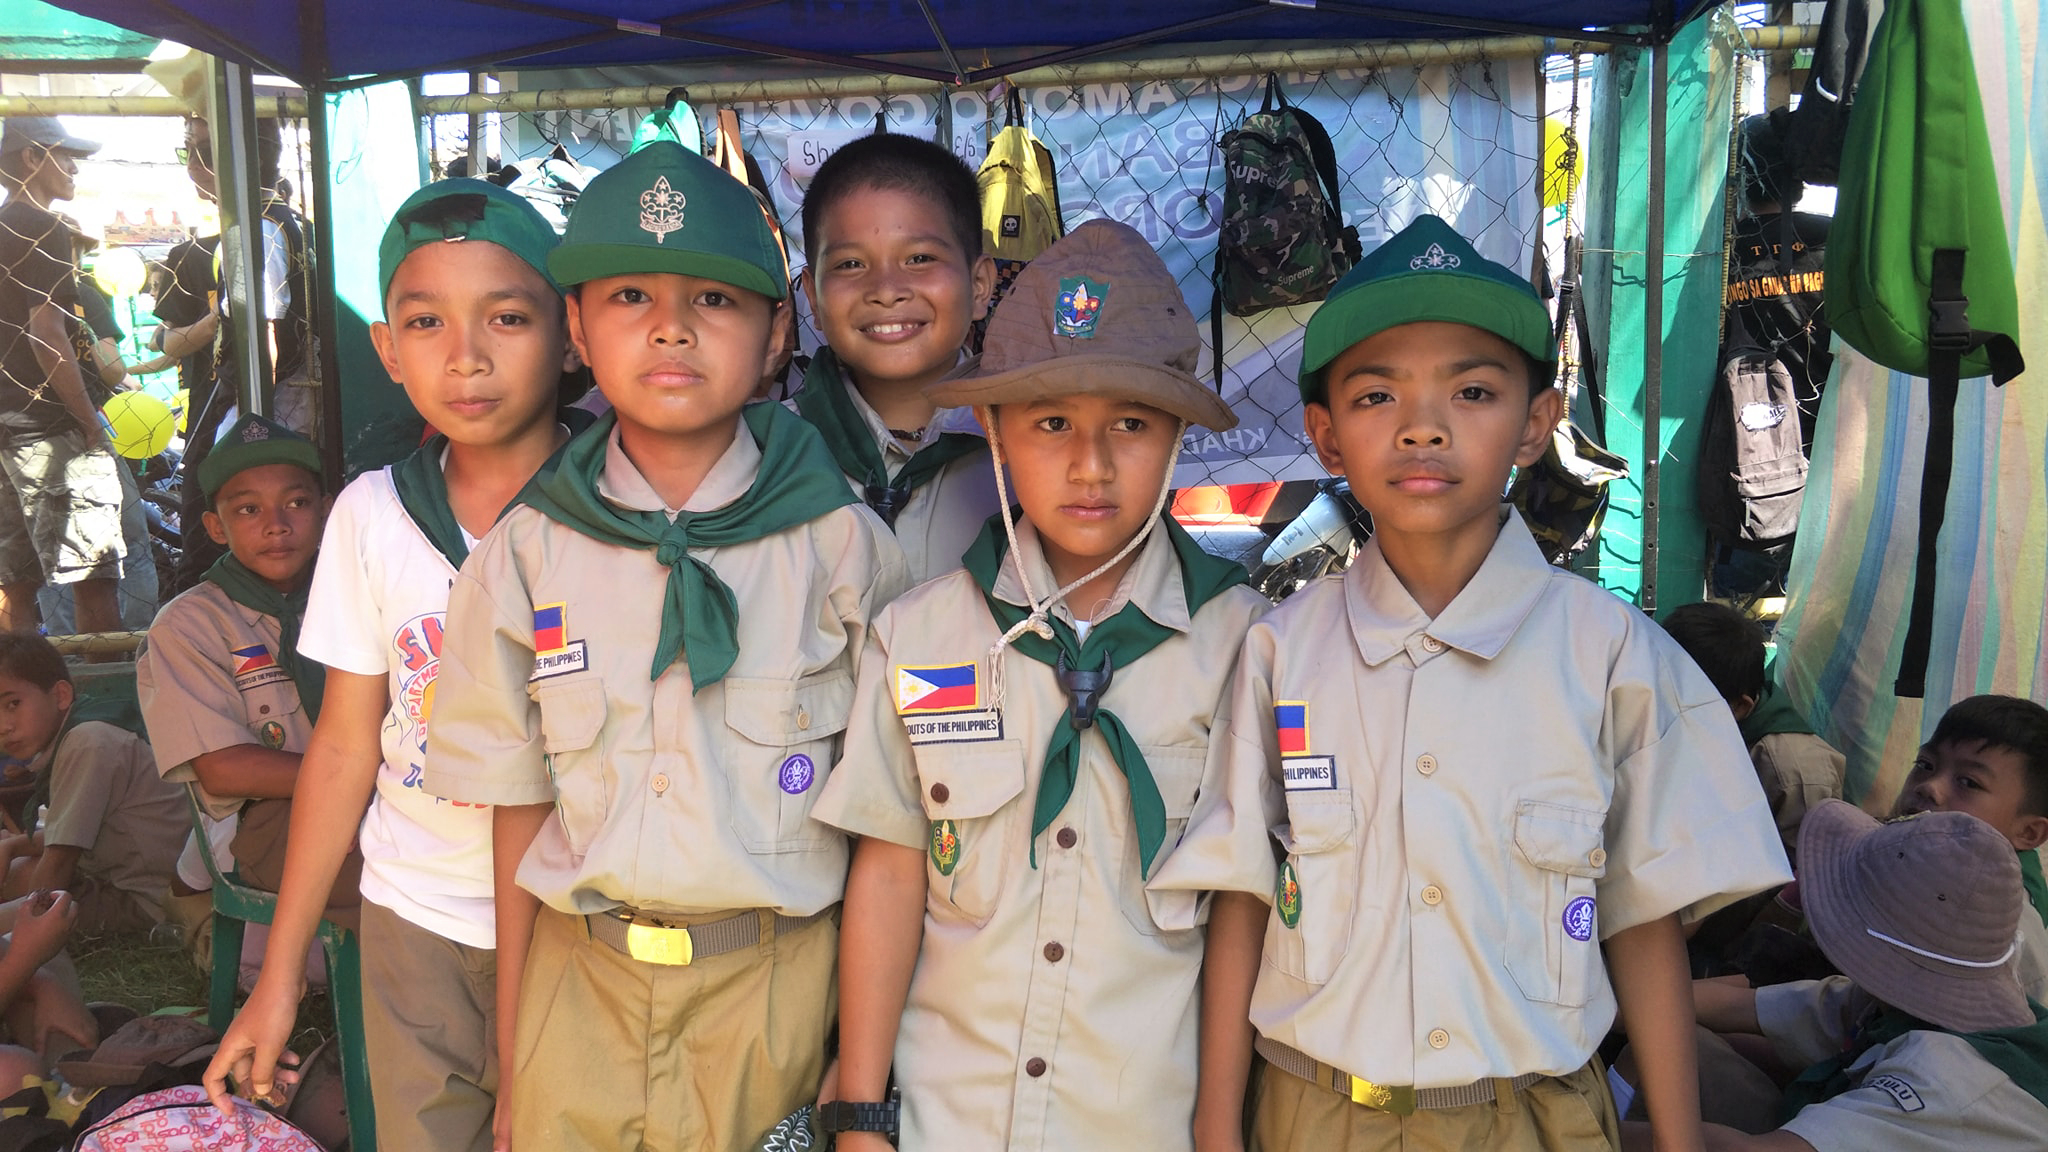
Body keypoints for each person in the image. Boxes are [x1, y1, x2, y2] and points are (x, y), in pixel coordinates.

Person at [1163, 214, 1792, 1152]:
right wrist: (1219, 1128)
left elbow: (1643, 915)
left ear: (1537, 422)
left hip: (1535, 1116)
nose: (1423, 425)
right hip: (1313, 1113)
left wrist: (1676, 1132)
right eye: (1377, 397)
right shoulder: (1278, 656)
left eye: (1472, 390)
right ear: (1326, 438)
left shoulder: (1614, 659)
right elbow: (1242, 899)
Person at [423, 140, 907, 1150]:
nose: (673, 328)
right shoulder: (524, 554)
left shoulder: (841, 548)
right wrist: (519, 1065)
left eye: (717, 301)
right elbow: (516, 816)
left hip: (774, 993)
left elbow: (885, 837)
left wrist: (857, 1090)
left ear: (777, 336)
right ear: (577, 335)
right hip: (578, 987)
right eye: (630, 296)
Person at [812, 219, 1266, 1150]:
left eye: (1131, 426)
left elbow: (1237, 914)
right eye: (1052, 422)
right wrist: (859, 1111)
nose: (1090, 464)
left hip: (1135, 1123)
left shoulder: (1241, 644)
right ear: (995, 433)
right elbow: (893, 870)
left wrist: (1218, 1132)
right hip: (949, 1120)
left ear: (1178, 435)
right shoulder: (925, 634)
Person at [201, 179, 578, 1152]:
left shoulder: (617, 510)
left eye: (506, 316)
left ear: (568, 330)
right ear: (385, 351)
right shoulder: (370, 513)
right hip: (410, 913)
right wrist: (279, 974)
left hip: (585, 919)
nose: (466, 356)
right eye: (425, 321)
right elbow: (341, 747)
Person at [1665, 802, 2048, 1151]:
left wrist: (1606, 1136)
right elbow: (1739, 1005)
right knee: (1680, 1045)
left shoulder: (1944, 1078)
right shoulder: (1891, 1006)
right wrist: (1617, 1002)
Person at [136, 414, 360, 915]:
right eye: (248, 510)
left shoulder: (360, 596)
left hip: (375, 798)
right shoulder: (190, 626)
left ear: (326, 512)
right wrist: (355, 787)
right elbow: (224, 770)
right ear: (215, 527)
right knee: (406, 872)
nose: (276, 524)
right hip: (264, 821)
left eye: (297, 503)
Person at [791, 133, 1001, 582]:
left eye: (919, 258)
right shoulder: (771, 453)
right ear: (812, 296)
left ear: (980, 284)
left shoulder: (1030, 449)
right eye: (850, 265)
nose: (886, 290)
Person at [171, 114, 315, 589]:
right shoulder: (281, 222)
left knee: (208, 538)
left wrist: (257, 423)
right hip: (271, 402)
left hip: (264, 405)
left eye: (196, 152)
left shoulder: (260, 229)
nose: (191, 166)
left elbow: (263, 332)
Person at [0, 117, 124, 636]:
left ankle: (20, 695)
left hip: (7, 429)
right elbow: (45, 332)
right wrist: (88, 422)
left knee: (15, 584)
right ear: (32, 158)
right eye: (65, 155)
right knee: (93, 575)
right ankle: (107, 695)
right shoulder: (42, 227)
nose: (74, 168)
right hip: (49, 427)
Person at [0, 632, 182, 934]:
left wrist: (20, 930)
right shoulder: (82, 729)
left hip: (151, 902)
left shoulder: (87, 743)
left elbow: (58, 864)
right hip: (126, 878)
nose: (3, 727)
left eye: (13, 704)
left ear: (60, 695)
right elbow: (69, 829)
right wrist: (12, 847)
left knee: (17, 896)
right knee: (16, 872)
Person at [1658, 602, 1844, 864]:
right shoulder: (1707, 716)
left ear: (1739, 706)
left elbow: (1796, 885)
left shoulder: (1794, 774)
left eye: (1681, 704)